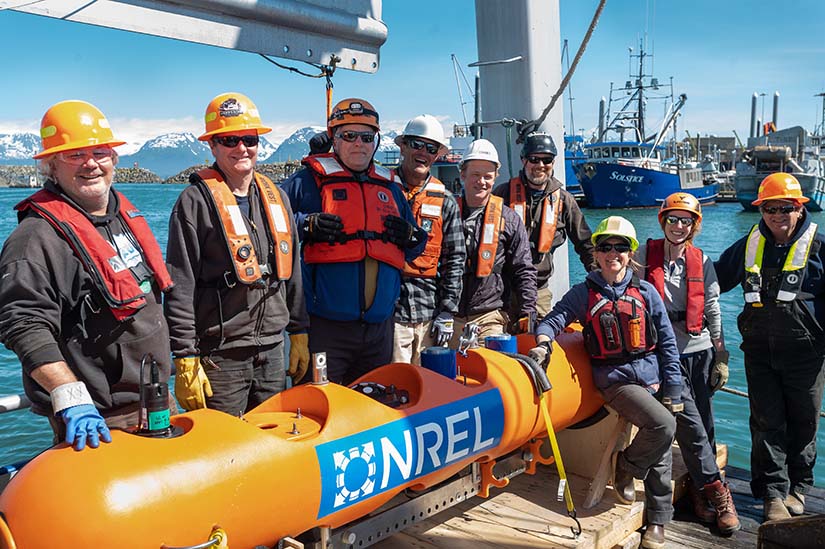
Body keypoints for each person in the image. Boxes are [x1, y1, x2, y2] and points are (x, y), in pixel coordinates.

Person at [0, 100, 175, 450]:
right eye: (74, 155)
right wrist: (69, 394)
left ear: (114, 158)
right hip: (100, 424)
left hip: (154, 403)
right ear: (51, 166)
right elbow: (22, 322)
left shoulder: (123, 218)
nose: (91, 163)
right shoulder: (34, 239)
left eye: (100, 151)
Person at [529, 216, 682, 549]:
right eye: (605, 247)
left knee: (661, 438)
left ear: (631, 253)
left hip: (652, 379)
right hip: (616, 382)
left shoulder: (646, 292)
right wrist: (542, 342)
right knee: (663, 425)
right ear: (595, 253)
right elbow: (554, 319)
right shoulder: (583, 294)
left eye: (621, 247)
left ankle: (657, 519)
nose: (613, 253)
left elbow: (668, 344)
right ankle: (626, 467)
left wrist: (673, 387)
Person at [165, 92, 309, 416]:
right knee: (222, 452)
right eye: (230, 140)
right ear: (212, 146)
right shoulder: (194, 203)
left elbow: (294, 273)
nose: (241, 148)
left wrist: (299, 332)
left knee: (272, 443)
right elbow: (179, 285)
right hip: (221, 359)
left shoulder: (278, 199)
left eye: (249, 139)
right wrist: (185, 357)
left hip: (272, 352)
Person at [281, 98, 426, 384]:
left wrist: (410, 236)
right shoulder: (308, 181)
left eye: (366, 136)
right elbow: (269, 222)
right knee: (319, 410)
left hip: (379, 332)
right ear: (334, 138)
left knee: (373, 408)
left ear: (376, 142)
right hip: (326, 329)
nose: (358, 143)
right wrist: (305, 224)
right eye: (349, 135)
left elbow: (416, 247)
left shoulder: (392, 189)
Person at [715, 173, 825, 522]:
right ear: (760, 210)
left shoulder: (820, 247)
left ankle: (799, 488)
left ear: (799, 208)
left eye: (786, 208)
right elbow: (713, 279)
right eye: (769, 209)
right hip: (760, 351)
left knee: (804, 422)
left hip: (806, 354)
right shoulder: (748, 245)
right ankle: (774, 493)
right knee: (766, 422)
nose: (777, 215)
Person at [637, 193, 739, 534]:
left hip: (700, 349)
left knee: (705, 425)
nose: (678, 226)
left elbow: (712, 309)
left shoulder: (702, 260)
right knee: (691, 426)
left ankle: (699, 494)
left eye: (686, 221)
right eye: (672, 219)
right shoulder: (643, 256)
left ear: (694, 226)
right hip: (665, 355)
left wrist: (721, 357)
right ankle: (719, 492)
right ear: (662, 220)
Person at [492, 132, 594, 320]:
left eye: (546, 160)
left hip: (539, 293)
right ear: (524, 160)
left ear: (553, 162)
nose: (540, 165)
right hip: (501, 293)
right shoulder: (502, 194)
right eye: (534, 159)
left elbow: (586, 244)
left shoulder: (565, 201)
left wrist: (600, 280)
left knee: (536, 340)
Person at [391, 115, 465, 364]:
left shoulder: (446, 201)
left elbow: (455, 259)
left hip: (429, 315)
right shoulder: (379, 191)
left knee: (428, 387)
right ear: (403, 146)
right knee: (391, 386)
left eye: (431, 148)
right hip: (389, 314)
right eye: (416, 144)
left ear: (437, 156)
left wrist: (447, 311)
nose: (423, 152)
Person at [450, 138, 537, 345]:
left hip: (489, 317)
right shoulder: (447, 213)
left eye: (487, 177)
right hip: (449, 318)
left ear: (496, 177)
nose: (481, 182)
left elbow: (523, 269)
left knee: (490, 373)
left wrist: (528, 313)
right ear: (463, 175)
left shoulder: (509, 219)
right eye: (475, 175)